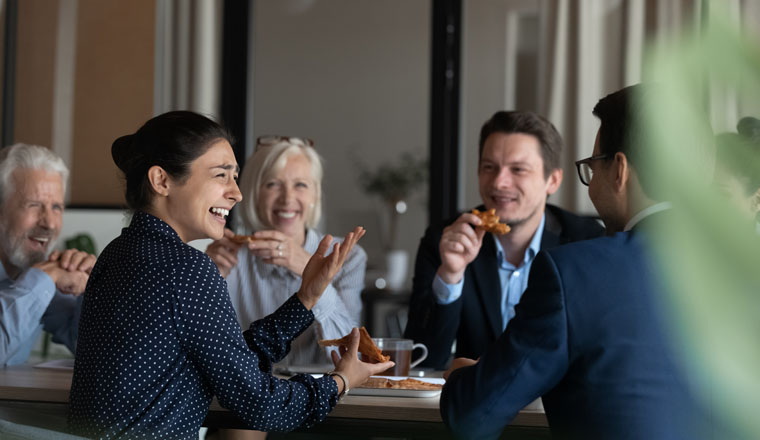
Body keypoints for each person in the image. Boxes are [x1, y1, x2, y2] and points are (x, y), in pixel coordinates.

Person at [68, 111, 393, 439]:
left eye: (235, 177)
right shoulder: (188, 269)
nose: (236, 193)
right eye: (221, 175)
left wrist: (306, 298)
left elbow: (233, 362)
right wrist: (342, 381)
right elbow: (261, 405)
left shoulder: (117, 253)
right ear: (162, 181)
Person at [440, 85, 702, 439]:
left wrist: (460, 375)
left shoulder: (574, 271)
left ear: (619, 170)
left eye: (593, 167)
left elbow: (473, 416)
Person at [405, 111, 604, 369]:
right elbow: (422, 359)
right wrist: (450, 276)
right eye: (489, 167)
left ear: (552, 180)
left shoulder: (586, 243)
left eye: (518, 169)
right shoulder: (445, 239)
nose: (499, 182)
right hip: (472, 404)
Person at [206, 135, 365, 366]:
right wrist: (206, 279)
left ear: (314, 195)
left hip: (326, 395)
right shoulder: (227, 257)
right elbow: (210, 354)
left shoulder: (348, 257)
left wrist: (306, 267)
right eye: (273, 184)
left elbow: (350, 357)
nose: (288, 198)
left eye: (301, 185)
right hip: (247, 395)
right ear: (253, 194)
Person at [0, 143, 95, 366]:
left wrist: (90, 288)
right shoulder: (40, 280)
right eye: (34, 205)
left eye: (56, 207)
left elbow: (94, 351)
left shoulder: (36, 274)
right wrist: (44, 279)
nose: (50, 223)